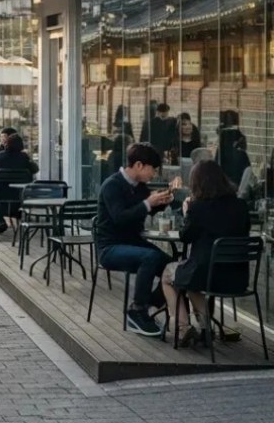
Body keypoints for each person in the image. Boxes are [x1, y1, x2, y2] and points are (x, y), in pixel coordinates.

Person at [161, 160, 251, 347]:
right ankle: (205, 329)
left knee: (169, 274)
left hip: (206, 276)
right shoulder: (241, 206)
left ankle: (184, 327)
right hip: (237, 278)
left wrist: (187, 212)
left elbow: (186, 237)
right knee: (192, 278)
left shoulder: (198, 208)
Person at [94, 142, 173, 337]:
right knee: (150, 257)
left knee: (173, 266)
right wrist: (148, 203)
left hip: (132, 242)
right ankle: (137, 310)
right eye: (152, 169)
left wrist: (160, 203)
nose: (153, 175)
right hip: (110, 247)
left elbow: (141, 210)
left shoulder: (140, 187)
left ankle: (151, 302)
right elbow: (120, 217)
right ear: (139, 165)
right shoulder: (112, 185)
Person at [0, 133, 39, 234]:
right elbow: (35, 169)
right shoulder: (24, 158)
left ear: (7, 144)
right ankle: (13, 216)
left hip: (1, 192)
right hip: (20, 193)